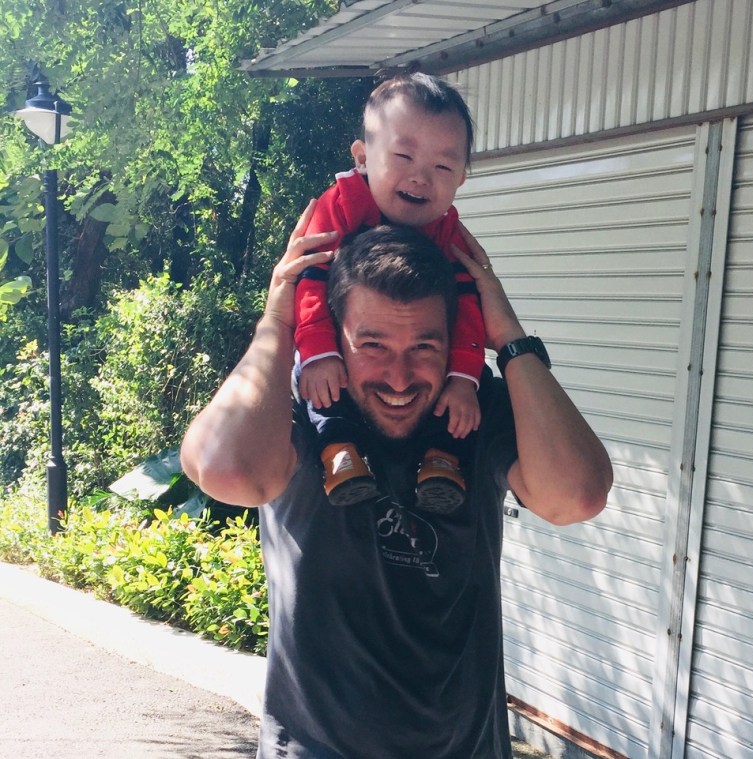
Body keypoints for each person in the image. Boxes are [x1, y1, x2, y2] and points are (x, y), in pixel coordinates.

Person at [180, 206, 614, 759]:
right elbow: (227, 468)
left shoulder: (475, 407)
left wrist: (507, 337)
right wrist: (280, 322)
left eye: (425, 347)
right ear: (334, 336)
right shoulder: (300, 403)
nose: (401, 377)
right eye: (374, 345)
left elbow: (577, 493)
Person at [295, 72, 483, 513]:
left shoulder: (450, 235)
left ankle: (441, 459)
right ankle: (337, 453)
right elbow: (308, 281)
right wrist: (319, 352)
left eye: (442, 167)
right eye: (404, 157)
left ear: (460, 180)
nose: (421, 179)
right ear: (362, 157)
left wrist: (465, 376)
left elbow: (471, 306)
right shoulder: (339, 206)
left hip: (423, 379)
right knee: (324, 384)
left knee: (451, 401)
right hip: (337, 347)